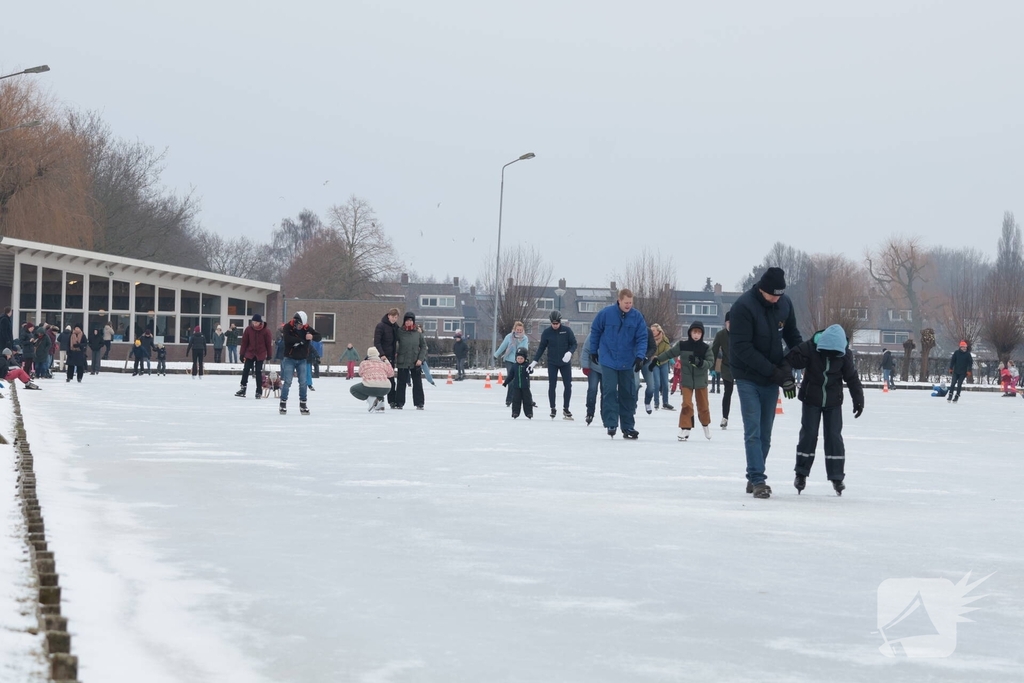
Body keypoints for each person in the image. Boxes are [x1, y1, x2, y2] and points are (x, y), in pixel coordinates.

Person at [730, 267, 803, 499]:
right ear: (762, 289)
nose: (776, 299)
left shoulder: (785, 303)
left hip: (771, 376)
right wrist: (775, 372)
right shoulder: (742, 307)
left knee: (766, 432)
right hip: (747, 376)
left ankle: (753, 476)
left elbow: (792, 335)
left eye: (780, 294)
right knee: (753, 430)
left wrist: (797, 360)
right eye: (773, 295)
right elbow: (742, 348)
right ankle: (759, 480)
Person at [785, 324, 864, 496]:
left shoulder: (844, 355)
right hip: (810, 399)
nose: (831, 356)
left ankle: (837, 477)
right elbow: (789, 359)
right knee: (809, 434)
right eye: (828, 352)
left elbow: (851, 377)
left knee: (834, 436)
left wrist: (858, 398)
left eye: (835, 354)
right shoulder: (810, 347)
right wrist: (788, 378)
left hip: (833, 401)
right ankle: (801, 473)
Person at [589, 288, 648, 439]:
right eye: (626, 302)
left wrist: (640, 356)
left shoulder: (636, 317)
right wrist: (593, 350)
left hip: (627, 361)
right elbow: (595, 330)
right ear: (619, 301)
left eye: (630, 303)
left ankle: (628, 426)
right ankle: (611, 423)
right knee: (609, 391)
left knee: (627, 393)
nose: (628, 305)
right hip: (608, 359)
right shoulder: (606, 314)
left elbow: (642, 337)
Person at [654, 321, 715, 441]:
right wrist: (657, 360)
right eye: (694, 332)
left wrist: (700, 362)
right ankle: (685, 428)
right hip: (686, 380)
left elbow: (710, 362)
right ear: (690, 333)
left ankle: (705, 425)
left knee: (703, 406)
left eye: (698, 332)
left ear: (702, 334)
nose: (696, 335)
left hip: (700, 381)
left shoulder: (706, 348)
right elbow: (670, 353)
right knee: (686, 404)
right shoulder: (683, 345)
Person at [530, 311, 578, 420]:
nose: (555, 325)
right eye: (553, 323)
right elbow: (541, 348)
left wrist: (570, 352)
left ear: (560, 322)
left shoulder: (567, 331)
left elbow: (574, 344)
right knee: (552, 385)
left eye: (557, 323)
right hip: (552, 362)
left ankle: (566, 408)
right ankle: (553, 408)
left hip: (565, 362)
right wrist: (534, 362)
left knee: (568, 385)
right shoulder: (547, 333)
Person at [279, 311, 321, 415]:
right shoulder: (288, 327)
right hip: (289, 359)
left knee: (303, 382)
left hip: (302, 359)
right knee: (287, 381)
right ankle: (283, 403)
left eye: (302, 325)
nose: (300, 327)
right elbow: (287, 339)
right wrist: (301, 340)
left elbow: (319, 336)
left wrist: (312, 337)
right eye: (299, 324)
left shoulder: (307, 329)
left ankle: (303, 404)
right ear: (295, 321)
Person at [394, 312, 427, 409]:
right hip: (402, 361)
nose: (409, 322)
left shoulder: (418, 333)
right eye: (407, 320)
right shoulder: (400, 331)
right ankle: (399, 403)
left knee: (417, 383)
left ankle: (419, 403)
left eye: (411, 320)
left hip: (415, 361)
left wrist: (420, 359)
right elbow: (393, 342)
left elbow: (424, 346)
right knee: (401, 383)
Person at [236, 314, 273, 398]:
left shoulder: (266, 331)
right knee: (246, 370)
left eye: (256, 322)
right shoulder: (248, 330)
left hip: (260, 353)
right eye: (253, 322)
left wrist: (269, 354)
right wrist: (242, 354)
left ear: (260, 322)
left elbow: (268, 344)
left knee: (258, 372)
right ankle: (243, 388)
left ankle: (259, 391)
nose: (254, 324)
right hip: (250, 353)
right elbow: (244, 342)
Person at [494, 321, 529, 406]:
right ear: (514, 329)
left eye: (521, 330)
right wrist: (496, 355)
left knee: (518, 380)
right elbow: (503, 346)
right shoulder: (509, 337)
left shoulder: (524, 338)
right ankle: (509, 399)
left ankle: (517, 398)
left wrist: (525, 359)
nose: (519, 331)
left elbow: (525, 349)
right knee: (511, 379)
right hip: (509, 360)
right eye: (518, 330)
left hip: (519, 361)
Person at [349, 347, 394, 412]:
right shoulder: (383, 364)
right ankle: (380, 404)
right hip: (386, 388)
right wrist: (386, 361)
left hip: (370, 386)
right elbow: (391, 374)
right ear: (378, 354)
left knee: (353, 389)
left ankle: (371, 399)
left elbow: (360, 373)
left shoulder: (364, 363)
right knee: (379, 386)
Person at [711, 312, 735, 429]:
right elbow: (713, 351)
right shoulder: (721, 335)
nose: (731, 325)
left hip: (742, 367)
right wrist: (712, 367)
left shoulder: (742, 333)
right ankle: (725, 417)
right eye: (729, 322)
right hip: (727, 367)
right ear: (725, 323)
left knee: (746, 393)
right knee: (728, 391)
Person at [374, 308, 401, 408]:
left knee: (391, 380)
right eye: (393, 317)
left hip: (391, 357)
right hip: (382, 357)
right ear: (389, 315)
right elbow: (377, 342)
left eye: (396, 317)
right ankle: (379, 399)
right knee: (381, 379)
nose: (394, 319)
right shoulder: (380, 326)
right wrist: (382, 354)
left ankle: (392, 401)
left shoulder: (395, 327)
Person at [646, 324, 673, 412]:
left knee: (665, 383)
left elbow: (667, 352)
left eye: (653, 330)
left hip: (664, 362)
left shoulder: (665, 340)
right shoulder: (650, 339)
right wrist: (652, 357)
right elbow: (649, 350)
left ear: (658, 331)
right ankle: (656, 402)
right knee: (656, 383)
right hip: (654, 363)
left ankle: (665, 402)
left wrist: (658, 357)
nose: (652, 331)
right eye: (651, 330)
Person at [503, 347, 534, 419]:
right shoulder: (514, 366)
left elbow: (531, 371)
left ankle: (529, 413)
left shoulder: (527, 365)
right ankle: (515, 413)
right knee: (516, 400)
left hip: (525, 387)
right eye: (518, 358)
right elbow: (511, 375)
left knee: (527, 400)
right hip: (516, 387)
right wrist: (506, 382)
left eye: (521, 359)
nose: (520, 360)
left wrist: (530, 369)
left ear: (525, 358)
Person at [580, 331, 602, 425]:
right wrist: (585, 366)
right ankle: (590, 412)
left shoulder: (613, 334)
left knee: (606, 392)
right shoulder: (593, 335)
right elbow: (585, 350)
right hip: (594, 368)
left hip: (608, 368)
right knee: (592, 389)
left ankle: (605, 413)